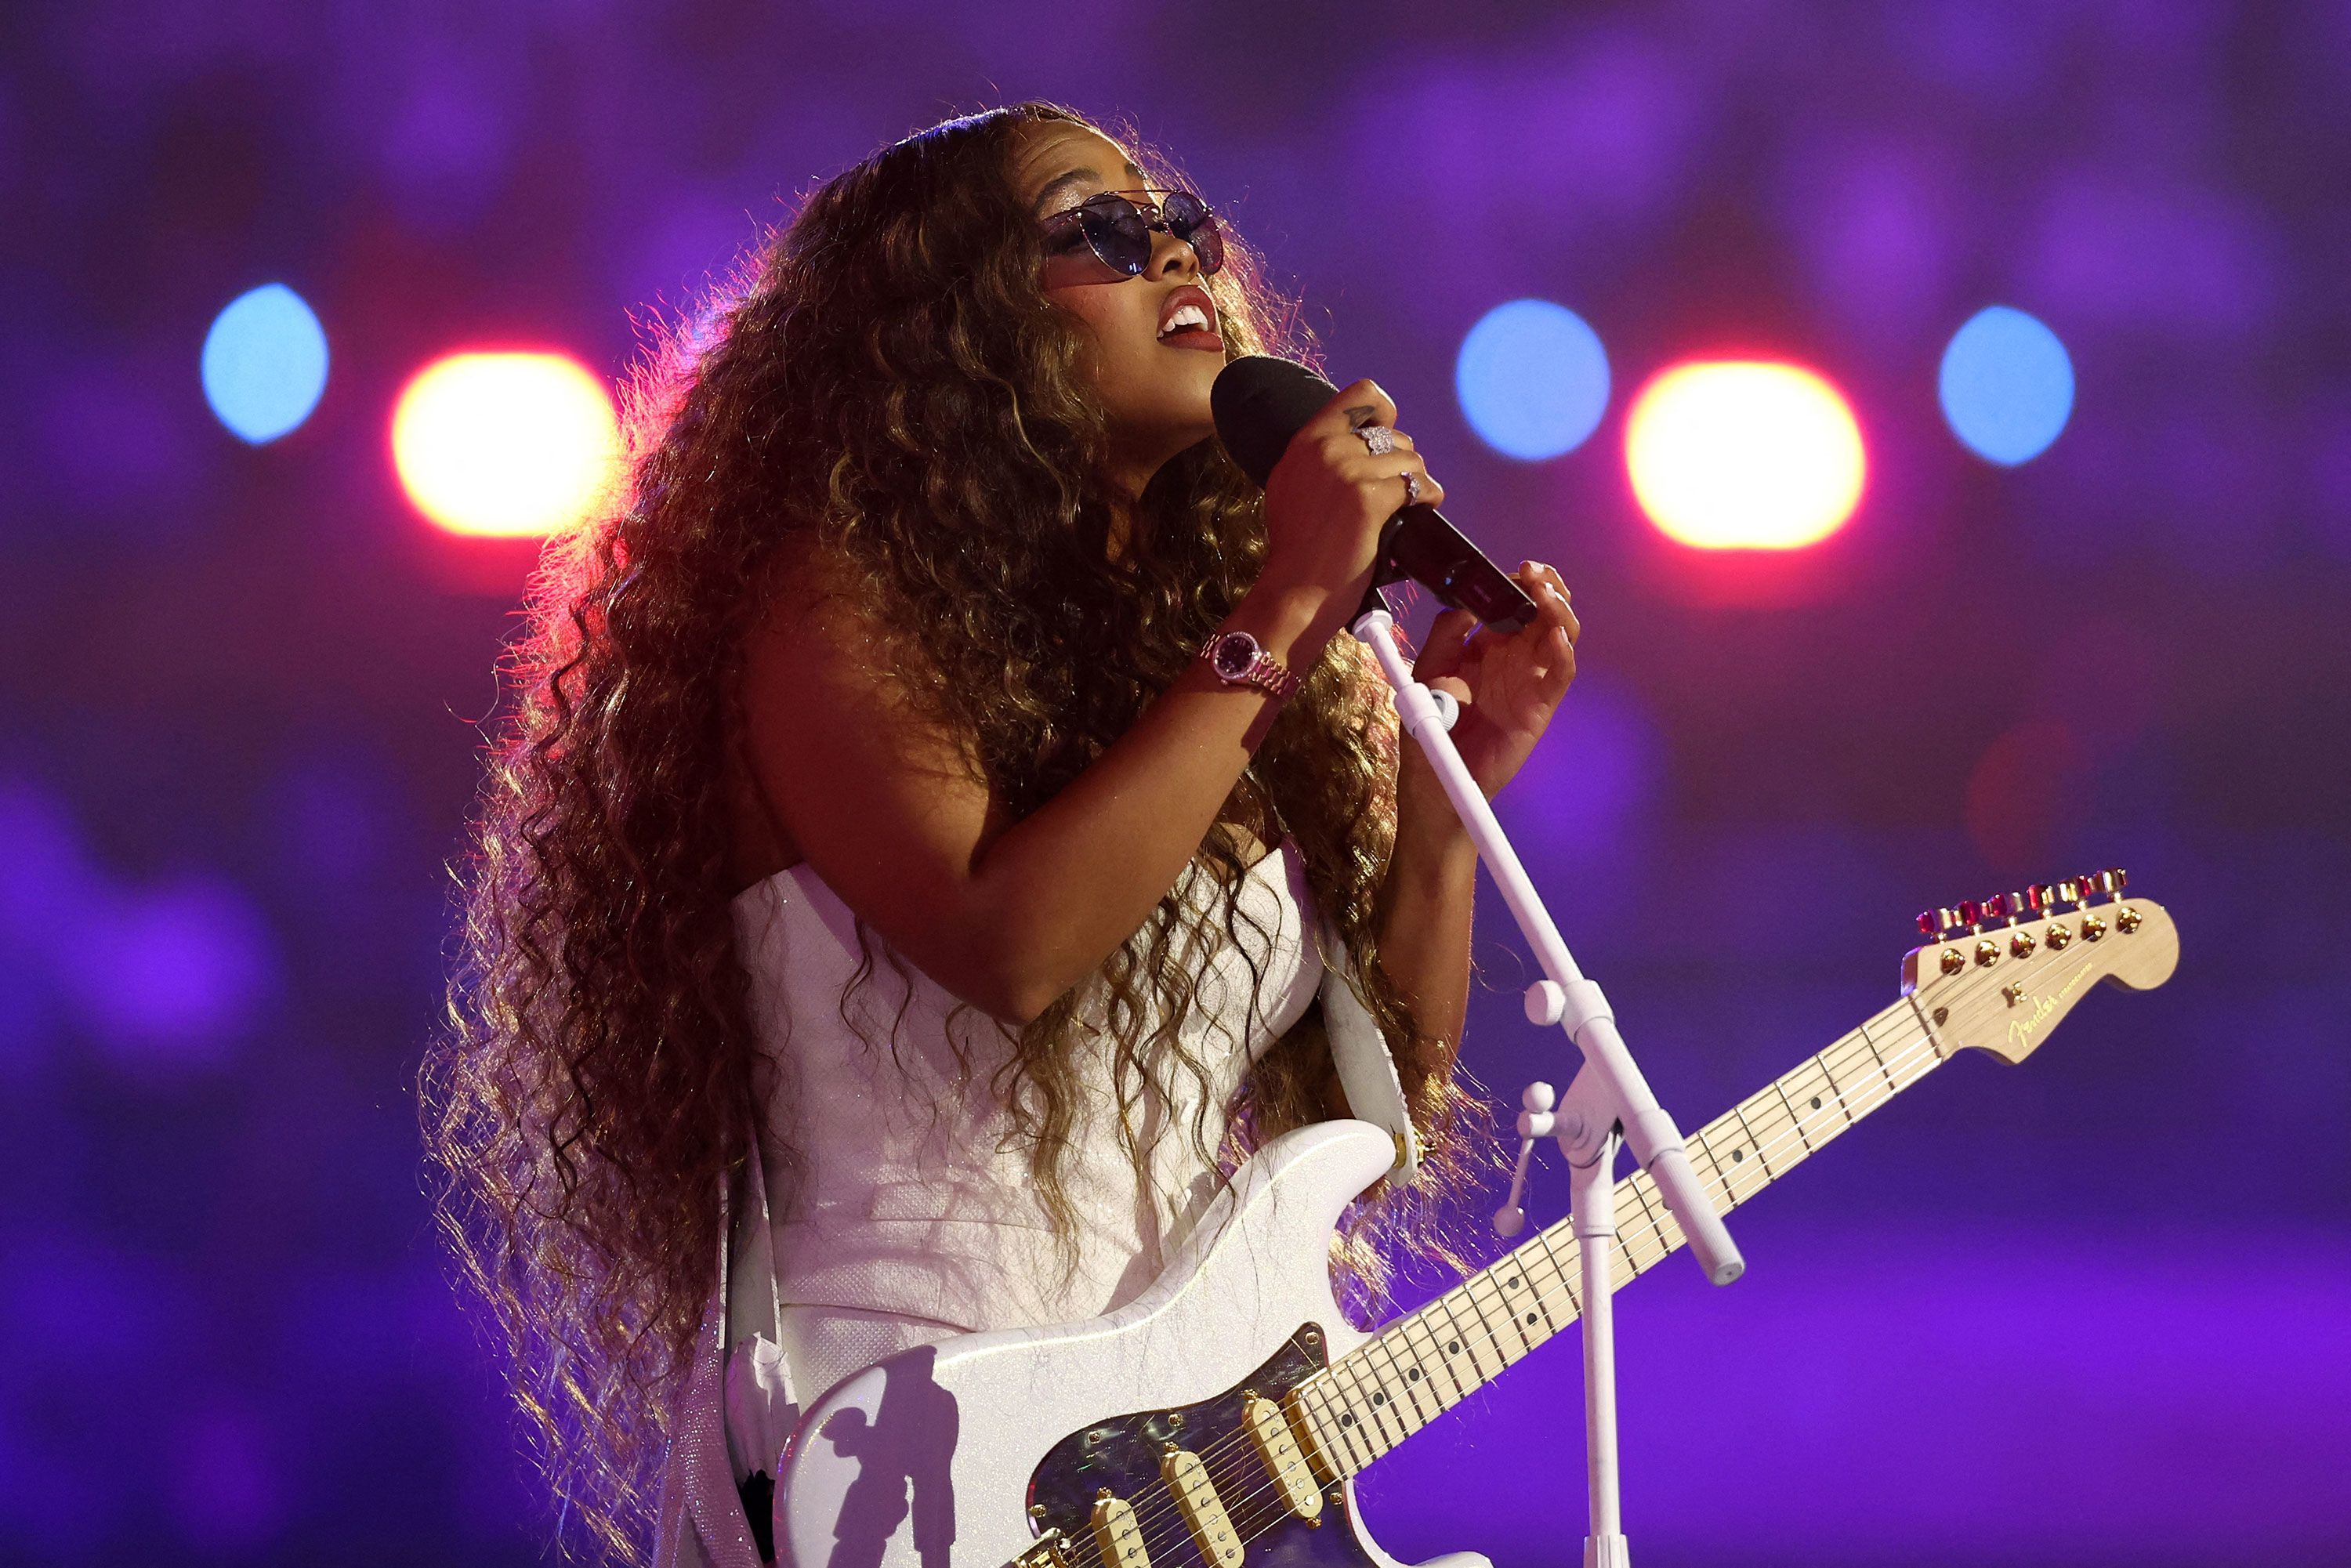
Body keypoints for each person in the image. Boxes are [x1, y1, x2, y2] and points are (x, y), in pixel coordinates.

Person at [422, 101, 1580, 1567]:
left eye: (1183, 225)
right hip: (916, 1456)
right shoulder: (833, 605)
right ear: (953, 326)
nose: (1173, 250)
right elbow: (1011, 942)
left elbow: (1370, 1110)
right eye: (1101, 229)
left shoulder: (1200, 663)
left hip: (1170, 1482)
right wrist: (1286, 602)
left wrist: (1453, 783)